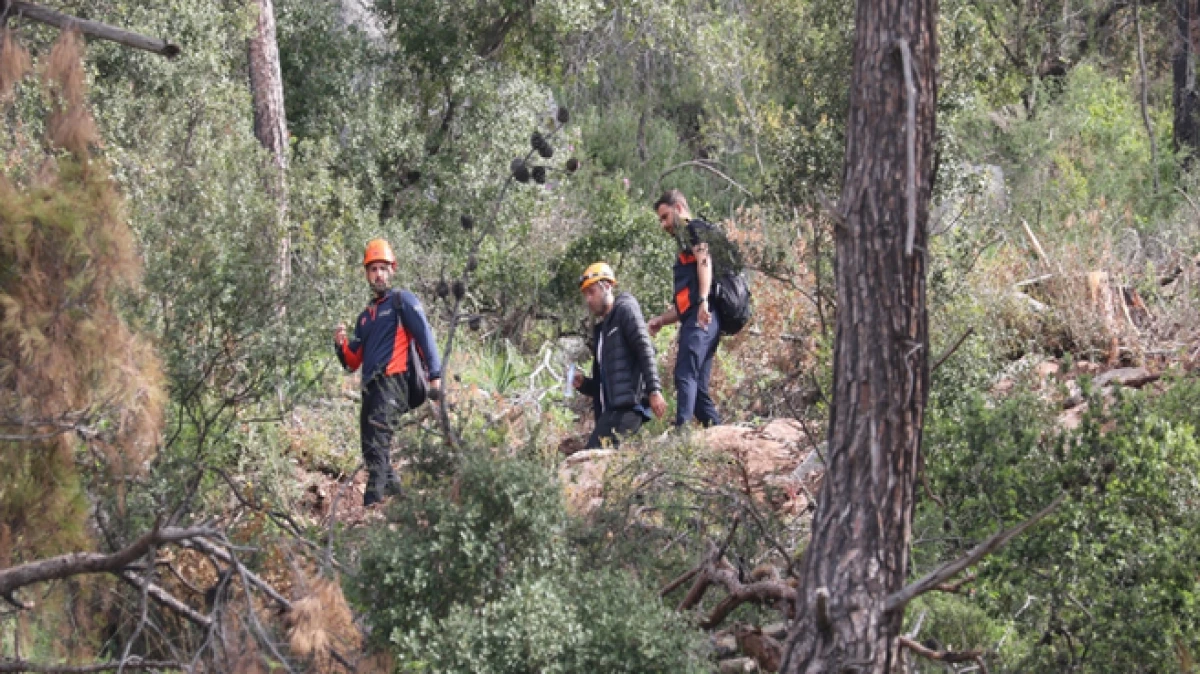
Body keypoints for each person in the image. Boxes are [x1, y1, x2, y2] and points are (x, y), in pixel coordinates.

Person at [334, 239, 442, 506]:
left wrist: (436, 377)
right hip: (370, 388)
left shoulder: (401, 301)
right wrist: (340, 345)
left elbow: (424, 335)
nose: (378, 274)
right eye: (373, 269)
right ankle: (401, 505)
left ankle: (371, 508)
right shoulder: (365, 317)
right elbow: (352, 362)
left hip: (395, 382)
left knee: (379, 444)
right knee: (370, 450)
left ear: (393, 269)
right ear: (367, 274)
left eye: (383, 268)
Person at [572, 262, 667, 448]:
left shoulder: (625, 308)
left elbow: (644, 348)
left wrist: (654, 391)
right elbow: (604, 386)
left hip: (629, 408)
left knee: (591, 460)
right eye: (586, 295)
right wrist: (583, 384)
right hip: (610, 412)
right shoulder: (602, 331)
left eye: (592, 292)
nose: (588, 300)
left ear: (607, 286)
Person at [648, 189, 721, 428]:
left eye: (665, 217)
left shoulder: (694, 229)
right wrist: (661, 319)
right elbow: (683, 307)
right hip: (700, 316)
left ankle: (681, 436)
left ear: (678, 209)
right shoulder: (684, 244)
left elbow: (705, 261)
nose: (663, 224)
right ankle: (719, 433)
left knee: (684, 374)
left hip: (703, 317)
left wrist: (703, 300)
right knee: (698, 390)